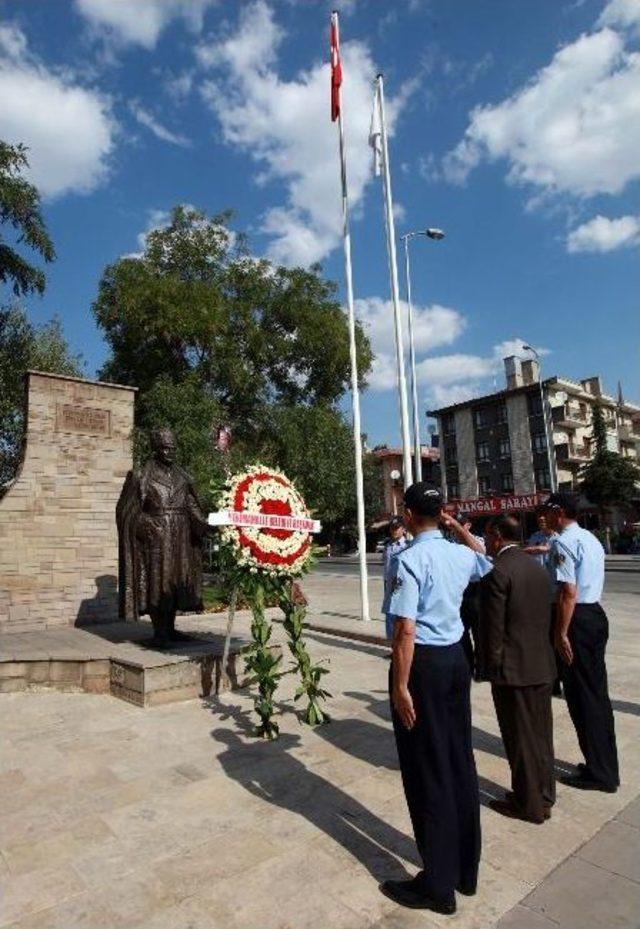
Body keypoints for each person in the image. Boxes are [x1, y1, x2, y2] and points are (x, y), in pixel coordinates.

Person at [380, 485, 492, 916]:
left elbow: (405, 629)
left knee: (427, 770)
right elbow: (484, 555)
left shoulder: (410, 560)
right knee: (458, 760)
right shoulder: (461, 555)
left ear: (408, 514)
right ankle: (465, 870)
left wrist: (400, 686)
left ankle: (437, 885)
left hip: (422, 664)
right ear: (441, 513)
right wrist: (455, 528)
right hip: (455, 659)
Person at [479, 514, 557, 824]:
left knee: (520, 738)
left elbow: (493, 630)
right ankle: (543, 794)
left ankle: (529, 805)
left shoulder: (499, 571)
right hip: (540, 663)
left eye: (486, 535)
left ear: (497, 535)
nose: (485, 541)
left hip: (513, 670)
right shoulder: (534, 568)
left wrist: (490, 667)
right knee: (541, 736)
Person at [542, 493, 619, 793]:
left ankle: (600, 773)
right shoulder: (590, 538)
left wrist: (560, 633)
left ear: (559, 513)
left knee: (583, 698)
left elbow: (567, 592)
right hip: (594, 614)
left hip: (577, 620)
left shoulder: (563, 542)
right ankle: (603, 764)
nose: (544, 517)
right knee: (597, 695)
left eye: (548, 512)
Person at [524, 509, 562, 696]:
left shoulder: (559, 539)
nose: (541, 520)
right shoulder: (534, 537)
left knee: (558, 638)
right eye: (539, 518)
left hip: (556, 596)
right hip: (537, 596)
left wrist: (546, 549)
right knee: (543, 639)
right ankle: (551, 680)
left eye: (544, 517)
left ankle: (560, 677)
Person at [454, 514, 486, 678]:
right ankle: (468, 663)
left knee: (479, 630)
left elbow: (483, 553)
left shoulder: (477, 541)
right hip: (460, 588)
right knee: (461, 630)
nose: (457, 528)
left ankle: (481, 667)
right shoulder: (452, 544)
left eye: (461, 525)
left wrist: (465, 537)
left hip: (476, 588)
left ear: (468, 525)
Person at [382, 515, 408, 639]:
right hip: (388, 584)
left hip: (401, 584)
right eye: (392, 528)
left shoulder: (407, 546)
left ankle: (401, 645)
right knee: (389, 614)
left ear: (403, 529)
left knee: (401, 615)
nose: (394, 530)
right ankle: (392, 646)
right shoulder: (387, 545)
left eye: (397, 528)